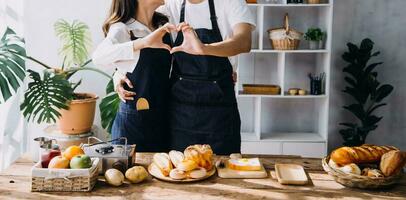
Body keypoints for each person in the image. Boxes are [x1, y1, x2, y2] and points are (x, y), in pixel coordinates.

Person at [114, 0, 256, 155]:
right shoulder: (168, 5)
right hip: (180, 114)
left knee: (223, 170)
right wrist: (119, 72)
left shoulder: (230, 2)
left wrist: (204, 48)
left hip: (220, 113)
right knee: (182, 172)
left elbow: (244, 41)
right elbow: (135, 32)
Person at [92, 0, 176, 152]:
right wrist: (143, 43)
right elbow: (99, 57)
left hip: (163, 118)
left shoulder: (163, 23)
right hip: (133, 126)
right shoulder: (123, 28)